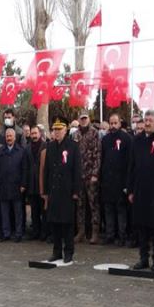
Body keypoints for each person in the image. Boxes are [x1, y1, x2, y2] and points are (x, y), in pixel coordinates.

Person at [127, 110, 154, 272]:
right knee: (141, 226)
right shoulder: (136, 140)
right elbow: (131, 167)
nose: (147, 123)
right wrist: (130, 190)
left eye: (150, 120)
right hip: (139, 190)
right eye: (145, 120)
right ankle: (143, 258)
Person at [40, 120, 81, 263]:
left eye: (59, 129)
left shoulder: (73, 146)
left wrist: (76, 190)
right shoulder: (50, 147)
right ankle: (56, 251)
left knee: (67, 223)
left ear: (66, 130)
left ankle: (68, 251)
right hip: (53, 190)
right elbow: (47, 171)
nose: (56, 132)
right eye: (54, 129)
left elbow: (77, 170)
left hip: (67, 190)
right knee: (55, 222)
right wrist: (45, 191)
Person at [100, 114, 131, 246]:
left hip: (121, 181)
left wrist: (126, 183)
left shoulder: (126, 138)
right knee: (108, 209)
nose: (112, 126)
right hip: (108, 181)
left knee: (120, 210)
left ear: (119, 123)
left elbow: (129, 161)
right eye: (111, 123)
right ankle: (110, 235)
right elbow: (102, 158)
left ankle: (122, 236)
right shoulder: (105, 139)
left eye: (115, 123)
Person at [0, 126, 29, 242]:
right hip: (3, 186)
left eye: (10, 136)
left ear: (15, 138)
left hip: (17, 186)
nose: (8, 138)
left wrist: (23, 184)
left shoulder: (21, 151)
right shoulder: (0, 151)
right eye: (7, 136)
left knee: (18, 212)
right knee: (4, 212)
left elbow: (25, 169)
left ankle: (18, 233)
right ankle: (6, 233)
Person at [73, 111, 101, 243]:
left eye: (85, 118)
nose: (83, 120)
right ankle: (81, 231)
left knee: (93, 204)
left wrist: (95, 173)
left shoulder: (95, 133)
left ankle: (95, 232)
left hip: (91, 175)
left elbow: (98, 154)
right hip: (79, 175)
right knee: (80, 205)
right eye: (81, 119)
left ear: (89, 119)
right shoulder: (75, 134)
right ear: (78, 120)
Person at [26, 125, 47, 241]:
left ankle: (44, 232)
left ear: (40, 134)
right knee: (34, 211)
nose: (34, 136)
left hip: (42, 183)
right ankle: (35, 232)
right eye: (32, 134)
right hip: (31, 184)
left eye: (35, 133)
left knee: (44, 211)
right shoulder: (27, 148)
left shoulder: (45, 146)